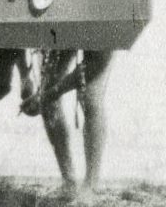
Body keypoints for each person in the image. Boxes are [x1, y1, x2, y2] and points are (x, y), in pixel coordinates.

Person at [18, 47, 114, 196]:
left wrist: (46, 96)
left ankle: (91, 184)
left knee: (90, 97)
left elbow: (96, 62)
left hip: (98, 39)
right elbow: (13, 31)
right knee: (47, 89)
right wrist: (24, 75)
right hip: (57, 29)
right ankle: (68, 181)